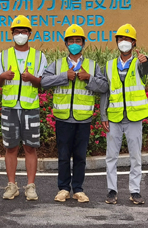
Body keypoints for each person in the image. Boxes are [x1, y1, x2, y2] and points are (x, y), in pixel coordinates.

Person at [40, 24, 109, 203]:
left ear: (83, 43)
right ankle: (63, 189)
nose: (75, 44)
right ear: (66, 44)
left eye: (78, 41)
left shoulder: (92, 66)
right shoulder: (58, 65)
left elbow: (104, 87)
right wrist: (64, 76)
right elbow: (44, 82)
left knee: (80, 156)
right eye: (71, 41)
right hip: (63, 118)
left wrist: (89, 78)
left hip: (83, 118)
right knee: (63, 156)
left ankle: (78, 189)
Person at [0, 15, 47, 201]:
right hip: (9, 107)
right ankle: (12, 185)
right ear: (12, 34)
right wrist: (3, 76)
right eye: (17, 32)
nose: (20, 35)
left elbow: (43, 83)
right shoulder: (3, 55)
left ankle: (30, 186)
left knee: (30, 147)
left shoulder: (39, 56)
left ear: (30, 34)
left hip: (30, 107)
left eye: (24, 31)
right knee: (11, 147)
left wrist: (32, 79)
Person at [100, 23, 148, 205]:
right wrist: (103, 116)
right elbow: (105, 92)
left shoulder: (139, 63)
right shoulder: (109, 65)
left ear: (134, 42)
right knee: (111, 156)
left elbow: (147, 67)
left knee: (135, 156)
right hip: (114, 117)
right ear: (117, 42)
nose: (124, 42)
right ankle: (112, 191)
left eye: (127, 39)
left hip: (134, 117)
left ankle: (135, 191)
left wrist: (146, 60)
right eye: (121, 38)